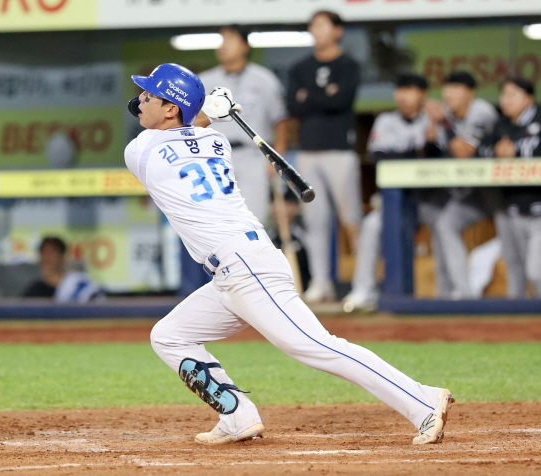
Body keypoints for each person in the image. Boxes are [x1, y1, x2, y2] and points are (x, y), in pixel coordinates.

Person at [125, 62, 453, 447]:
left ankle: (422, 399)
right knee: (170, 335)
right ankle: (237, 415)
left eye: (150, 94)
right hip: (236, 268)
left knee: (315, 345)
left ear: (170, 109)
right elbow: (193, 130)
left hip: (246, 266)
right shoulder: (220, 143)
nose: (139, 99)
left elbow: (184, 129)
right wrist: (211, 114)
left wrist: (203, 112)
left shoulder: (141, 149)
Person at [286, 10, 362, 303]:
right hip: (307, 151)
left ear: (337, 30)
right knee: (315, 221)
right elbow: (294, 104)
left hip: (340, 151)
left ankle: (361, 283)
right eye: (312, 25)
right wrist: (323, 95)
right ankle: (320, 283)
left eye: (321, 25)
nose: (315, 30)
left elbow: (341, 100)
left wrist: (312, 96)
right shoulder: (300, 67)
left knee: (351, 219)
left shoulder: (348, 65)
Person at [343, 73, 432, 311]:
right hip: (394, 201)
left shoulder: (432, 120)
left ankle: (450, 294)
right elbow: (378, 156)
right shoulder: (386, 120)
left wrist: (411, 154)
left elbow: (436, 155)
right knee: (371, 225)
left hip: (429, 200)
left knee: (442, 225)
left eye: (410, 89)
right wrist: (415, 154)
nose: (403, 95)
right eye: (400, 89)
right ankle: (363, 291)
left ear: (422, 94)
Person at [199, 24, 288, 226]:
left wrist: (277, 156)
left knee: (253, 222)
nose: (223, 46)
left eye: (230, 40)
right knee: (217, 223)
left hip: (252, 156)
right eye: (221, 40)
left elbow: (280, 119)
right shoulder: (205, 81)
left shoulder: (264, 79)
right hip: (215, 156)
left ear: (245, 46)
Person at [425, 71, 499, 299]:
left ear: (470, 92)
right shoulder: (445, 114)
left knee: (515, 240)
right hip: (471, 192)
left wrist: (443, 121)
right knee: (445, 224)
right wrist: (433, 121)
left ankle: (528, 304)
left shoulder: (482, 111)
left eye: (456, 87)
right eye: (447, 87)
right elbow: (429, 149)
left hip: (500, 192)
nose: (448, 93)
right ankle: (464, 296)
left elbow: (463, 152)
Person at [481, 77, 541, 297]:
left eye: (512, 94)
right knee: (516, 268)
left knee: (537, 271)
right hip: (513, 208)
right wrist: (496, 152)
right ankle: (519, 321)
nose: (506, 100)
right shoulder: (501, 124)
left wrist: (519, 155)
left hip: (539, 209)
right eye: (503, 95)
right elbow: (481, 150)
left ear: (529, 97)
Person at [23, 236, 103, 303]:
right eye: (43, 253)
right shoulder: (35, 290)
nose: (47, 258)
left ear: (62, 256)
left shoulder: (77, 285)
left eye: (52, 253)